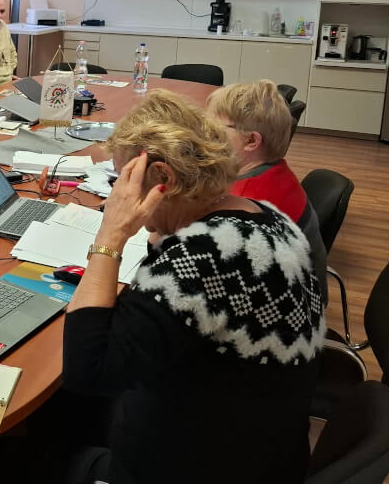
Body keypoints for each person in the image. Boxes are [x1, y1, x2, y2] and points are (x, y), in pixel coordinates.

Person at [61, 90, 323, 483]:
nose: (119, 195)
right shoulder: (265, 216)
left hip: (200, 465)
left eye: (124, 181)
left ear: (164, 178)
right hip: (259, 442)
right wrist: (164, 233)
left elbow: (87, 371)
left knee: (32, 445)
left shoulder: (200, 257)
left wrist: (110, 235)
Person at [206, 79, 327, 304]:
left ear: (252, 140)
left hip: (285, 310)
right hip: (295, 297)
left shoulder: (249, 202)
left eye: (214, 129)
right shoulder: (273, 170)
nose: (206, 135)